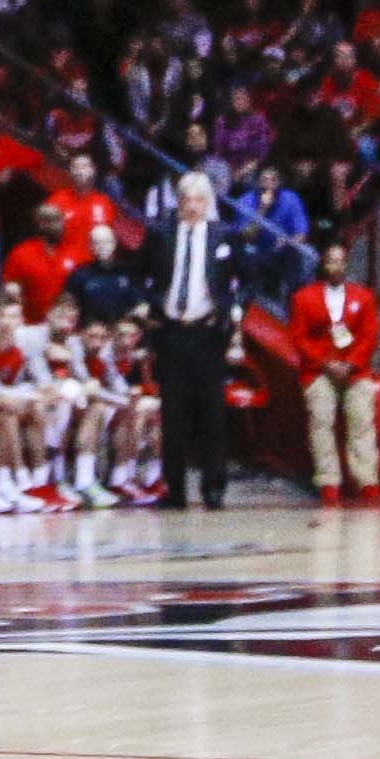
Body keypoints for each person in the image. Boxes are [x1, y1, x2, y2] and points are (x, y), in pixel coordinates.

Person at [141, 168, 236, 507]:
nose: (193, 206)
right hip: (170, 332)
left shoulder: (223, 235)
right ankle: (175, 489)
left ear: (208, 202)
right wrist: (149, 307)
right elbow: (141, 275)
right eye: (187, 199)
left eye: (199, 200)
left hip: (208, 333)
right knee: (173, 414)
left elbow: (247, 280)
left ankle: (214, 488)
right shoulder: (160, 234)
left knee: (212, 413)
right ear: (178, 202)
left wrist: (226, 310)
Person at [290, 240, 380, 505]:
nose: (336, 266)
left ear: (346, 264)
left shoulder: (362, 297)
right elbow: (298, 337)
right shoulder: (304, 297)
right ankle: (328, 482)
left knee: (362, 422)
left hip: (355, 370)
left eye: (340, 261)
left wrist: (351, 363)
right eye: (331, 261)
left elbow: (369, 335)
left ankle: (367, 481)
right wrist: (324, 363)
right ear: (323, 264)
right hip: (318, 370)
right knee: (321, 422)